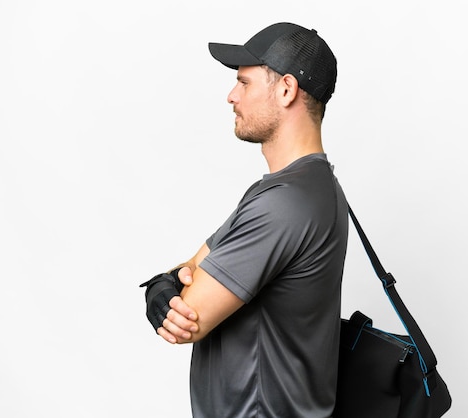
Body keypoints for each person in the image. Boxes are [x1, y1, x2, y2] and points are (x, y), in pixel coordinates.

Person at [140, 22, 348, 418]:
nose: (231, 96)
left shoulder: (287, 203)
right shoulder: (292, 189)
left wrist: (167, 290)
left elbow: (189, 318)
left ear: (286, 90)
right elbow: (191, 266)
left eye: (245, 83)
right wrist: (169, 283)